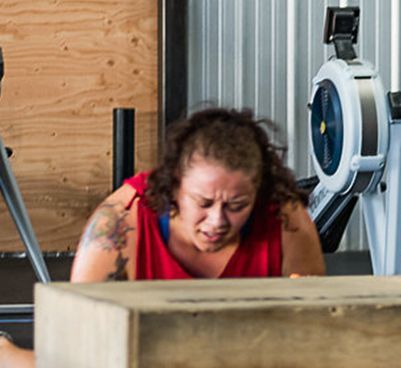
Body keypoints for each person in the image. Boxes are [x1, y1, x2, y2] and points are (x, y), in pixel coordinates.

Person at [0, 107, 325, 366]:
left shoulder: (285, 219)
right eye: (203, 203)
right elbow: (77, 345)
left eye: (237, 206)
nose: (217, 221)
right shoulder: (120, 221)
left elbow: (316, 336)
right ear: (174, 187)